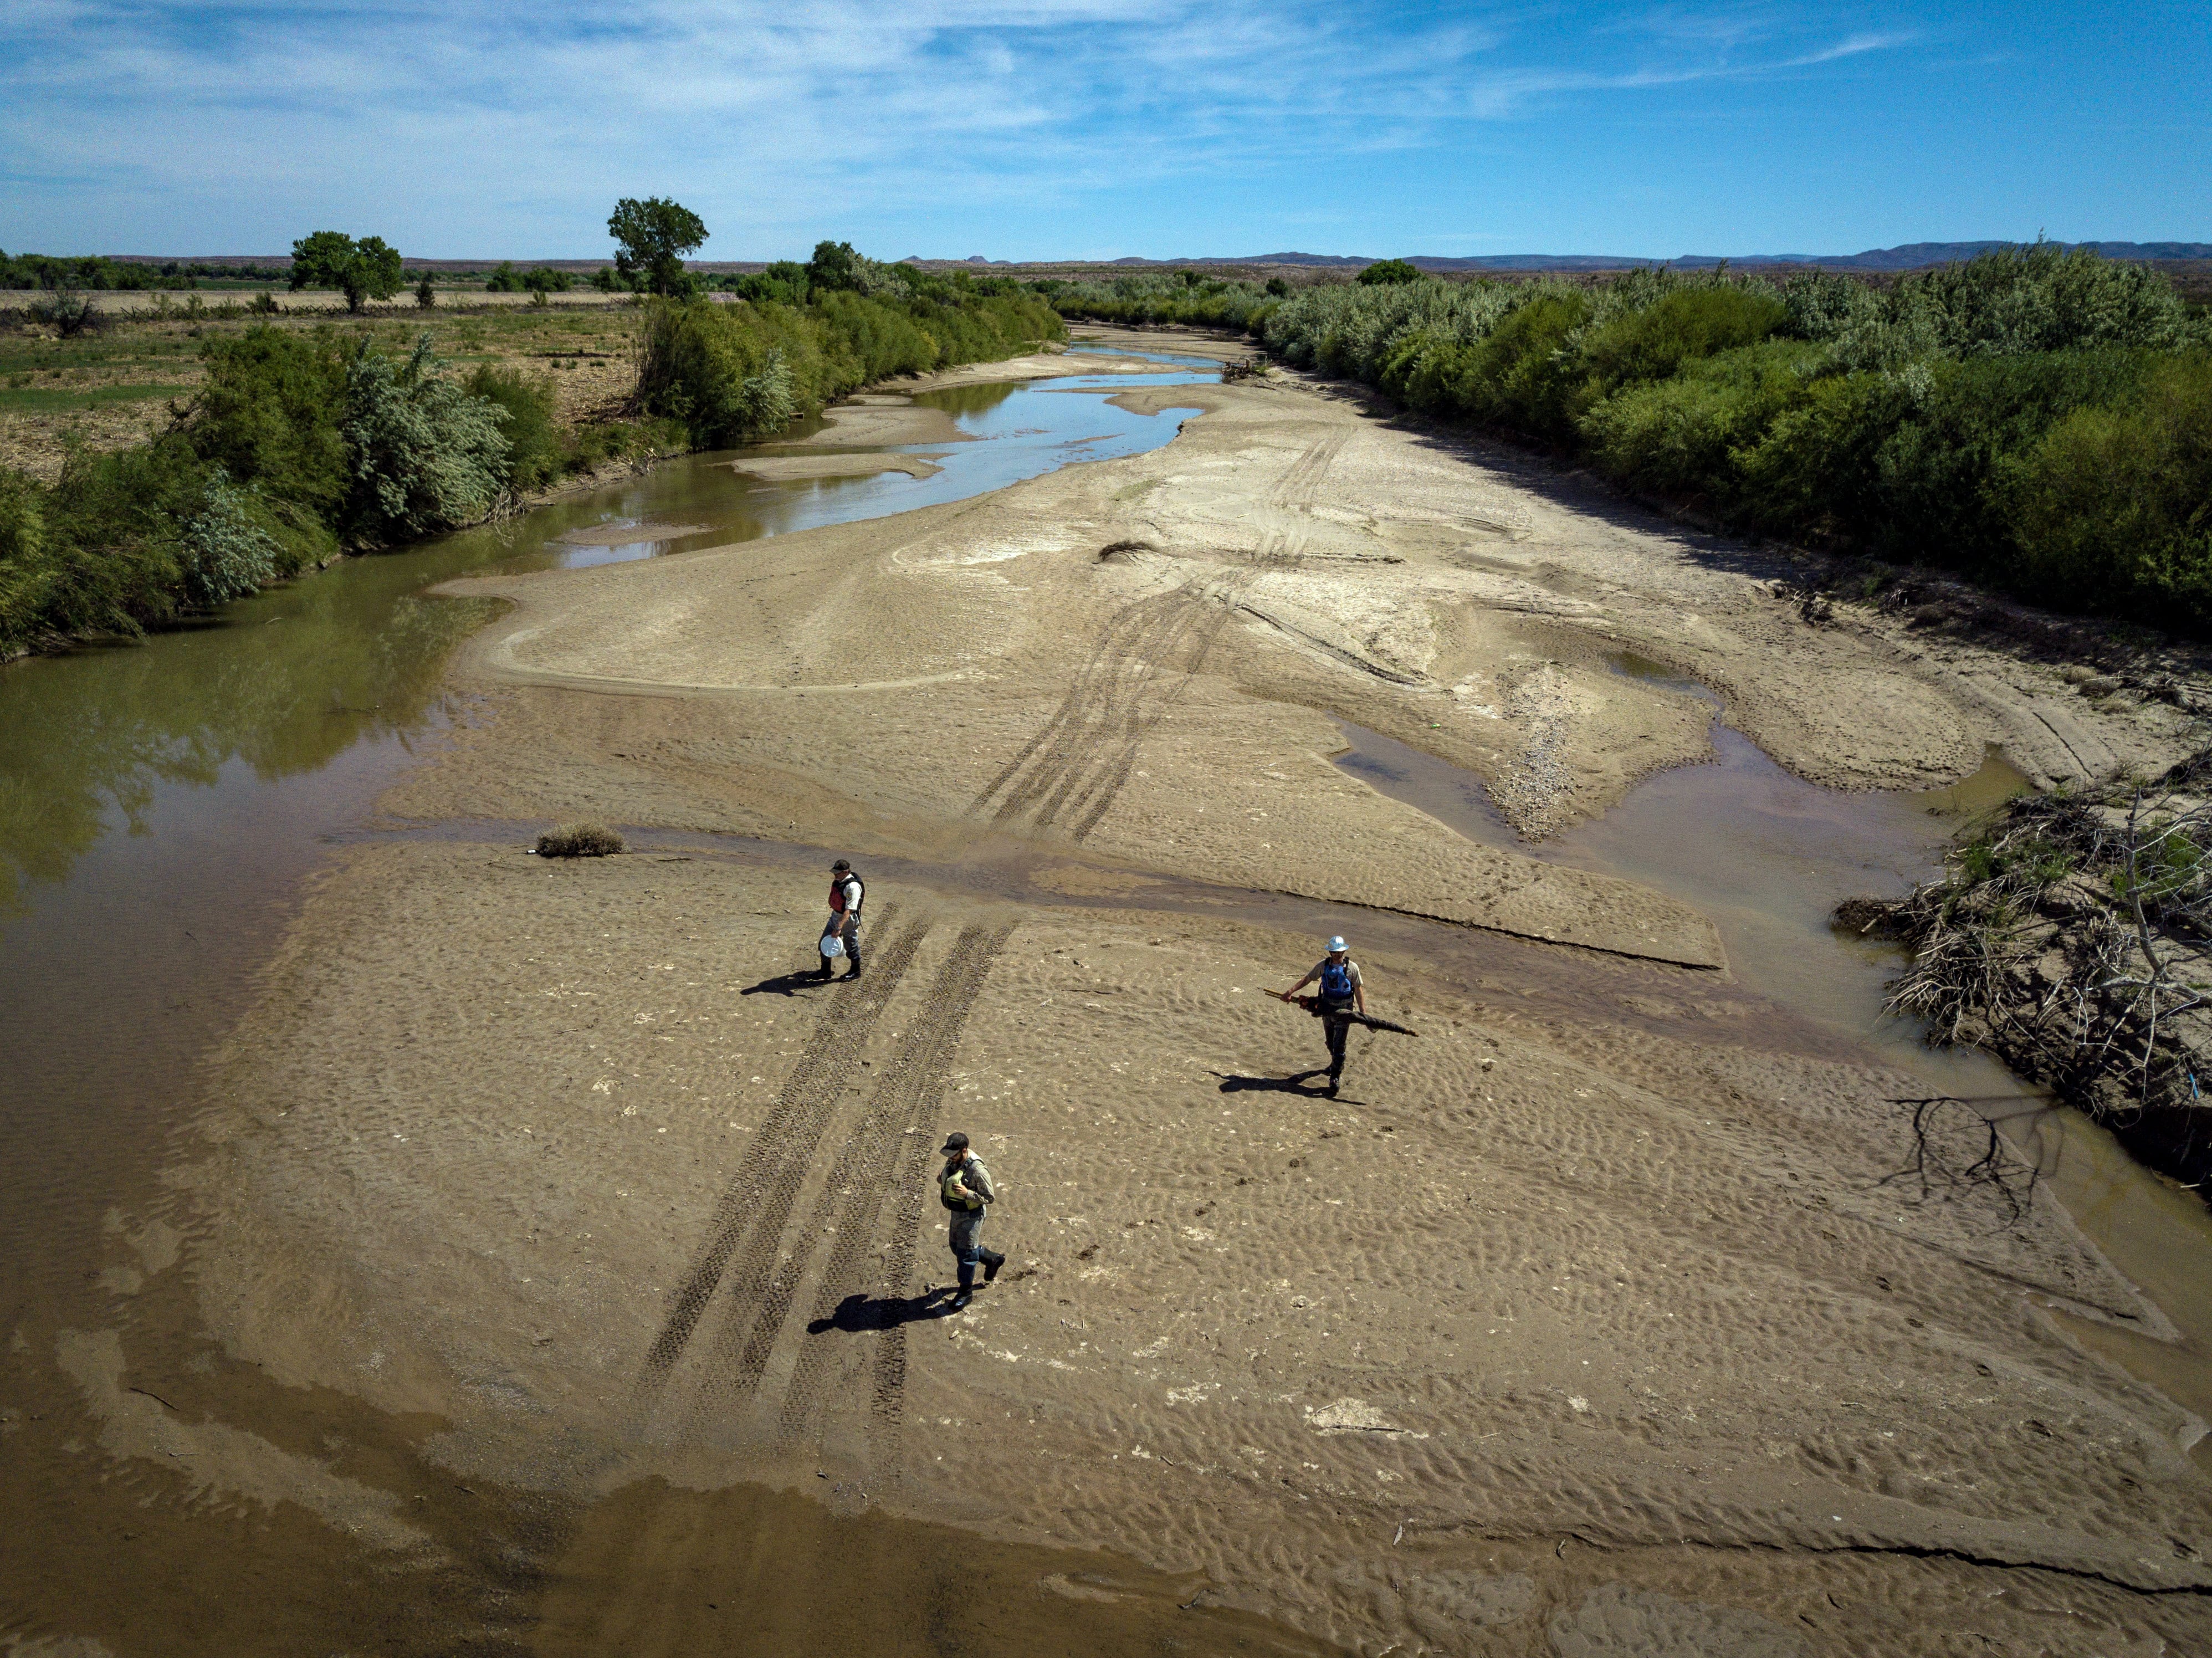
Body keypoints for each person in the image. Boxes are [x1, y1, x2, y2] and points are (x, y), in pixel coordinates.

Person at [1281, 934, 1365, 1096]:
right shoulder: (1323, 966)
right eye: (1334, 952)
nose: (1337, 955)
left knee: (1339, 1044)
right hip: (1326, 1008)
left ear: (1344, 951)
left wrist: (1363, 1014)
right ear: (1330, 952)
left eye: (1339, 952)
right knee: (1330, 1041)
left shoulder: (1352, 968)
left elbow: (1358, 990)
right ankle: (1336, 1063)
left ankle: (1335, 1077)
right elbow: (1308, 978)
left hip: (1344, 1011)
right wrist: (1290, 992)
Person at [936, 1132, 1003, 1309]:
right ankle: (992, 1259)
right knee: (956, 1247)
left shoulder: (977, 1170)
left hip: (972, 1216)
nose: (951, 1158)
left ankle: (966, 1292)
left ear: (964, 1151)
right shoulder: (954, 1160)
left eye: (954, 1154)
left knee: (965, 1256)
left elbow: (989, 1197)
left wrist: (967, 1194)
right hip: (957, 1212)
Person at [817, 858, 864, 980]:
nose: (835, 875)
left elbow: (849, 910)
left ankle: (856, 971)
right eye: (834, 873)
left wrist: (839, 927)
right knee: (824, 944)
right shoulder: (840, 881)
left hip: (847, 920)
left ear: (846, 872)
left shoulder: (853, 887)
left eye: (837, 873)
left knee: (851, 947)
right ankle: (825, 971)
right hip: (836, 915)